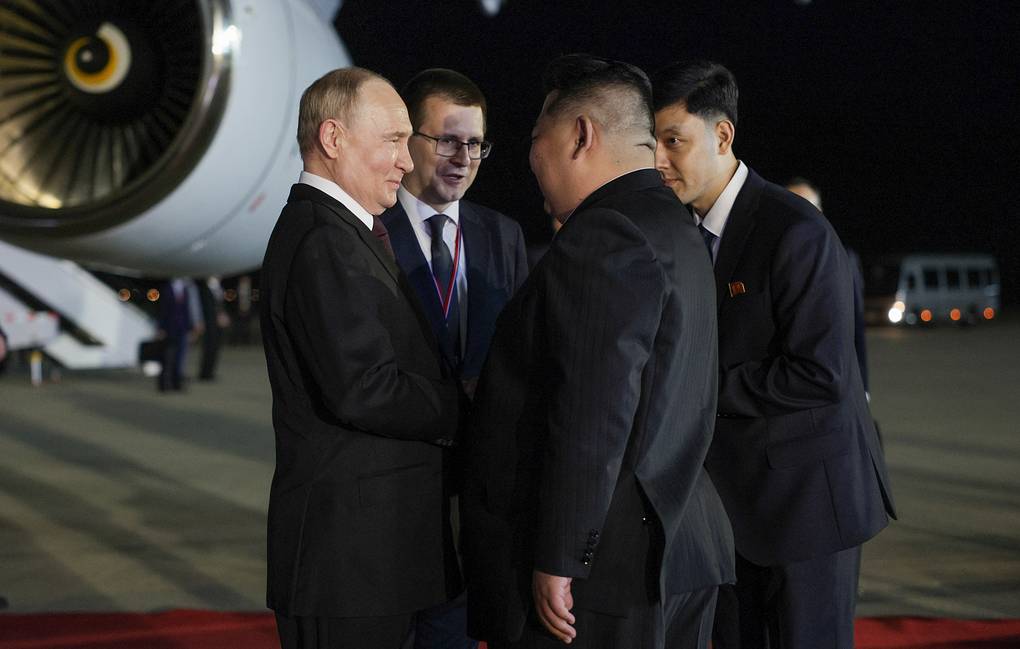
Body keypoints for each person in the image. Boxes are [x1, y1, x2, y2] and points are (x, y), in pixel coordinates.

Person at [462, 54, 734, 649]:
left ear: (581, 135)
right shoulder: (675, 225)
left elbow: (594, 410)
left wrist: (560, 554)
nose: (531, 159)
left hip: (604, 573)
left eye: (537, 139)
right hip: (678, 541)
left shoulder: (605, 234)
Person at [651, 60, 895, 649]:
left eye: (673, 141)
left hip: (805, 511)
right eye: (650, 142)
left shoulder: (795, 231)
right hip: (734, 514)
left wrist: (697, 390)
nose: (658, 159)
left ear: (723, 135)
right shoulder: (683, 232)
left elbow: (822, 374)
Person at [259, 67, 461, 649]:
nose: (407, 160)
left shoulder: (343, 231)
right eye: (393, 140)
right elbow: (364, 389)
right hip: (346, 566)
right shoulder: (323, 238)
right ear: (333, 139)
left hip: (367, 561)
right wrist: (464, 405)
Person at [379, 68, 528, 649]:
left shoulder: (503, 235)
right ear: (407, 140)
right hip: (394, 487)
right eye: (446, 140)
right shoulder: (369, 231)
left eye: (474, 144)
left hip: (478, 500)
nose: (461, 157)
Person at [785, 178, 870, 395]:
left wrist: (863, 386)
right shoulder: (767, 260)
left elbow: (856, 326)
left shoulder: (842, 256)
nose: (801, 214)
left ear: (820, 211)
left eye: (808, 206)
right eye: (793, 205)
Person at [156, 278, 200, 392]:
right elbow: (162, 310)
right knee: (167, 357)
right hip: (169, 328)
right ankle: (164, 384)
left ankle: (177, 383)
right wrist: (161, 328)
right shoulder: (166, 289)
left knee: (180, 357)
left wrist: (190, 328)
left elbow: (187, 311)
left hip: (182, 328)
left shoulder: (185, 290)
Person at [196, 276, 229, 381]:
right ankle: (205, 373)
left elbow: (220, 306)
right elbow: (206, 308)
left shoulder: (218, 289)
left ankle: (210, 372)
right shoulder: (204, 290)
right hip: (210, 323)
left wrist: (223, 315)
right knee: (208, 348)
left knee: (215, 348)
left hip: (217, 324)